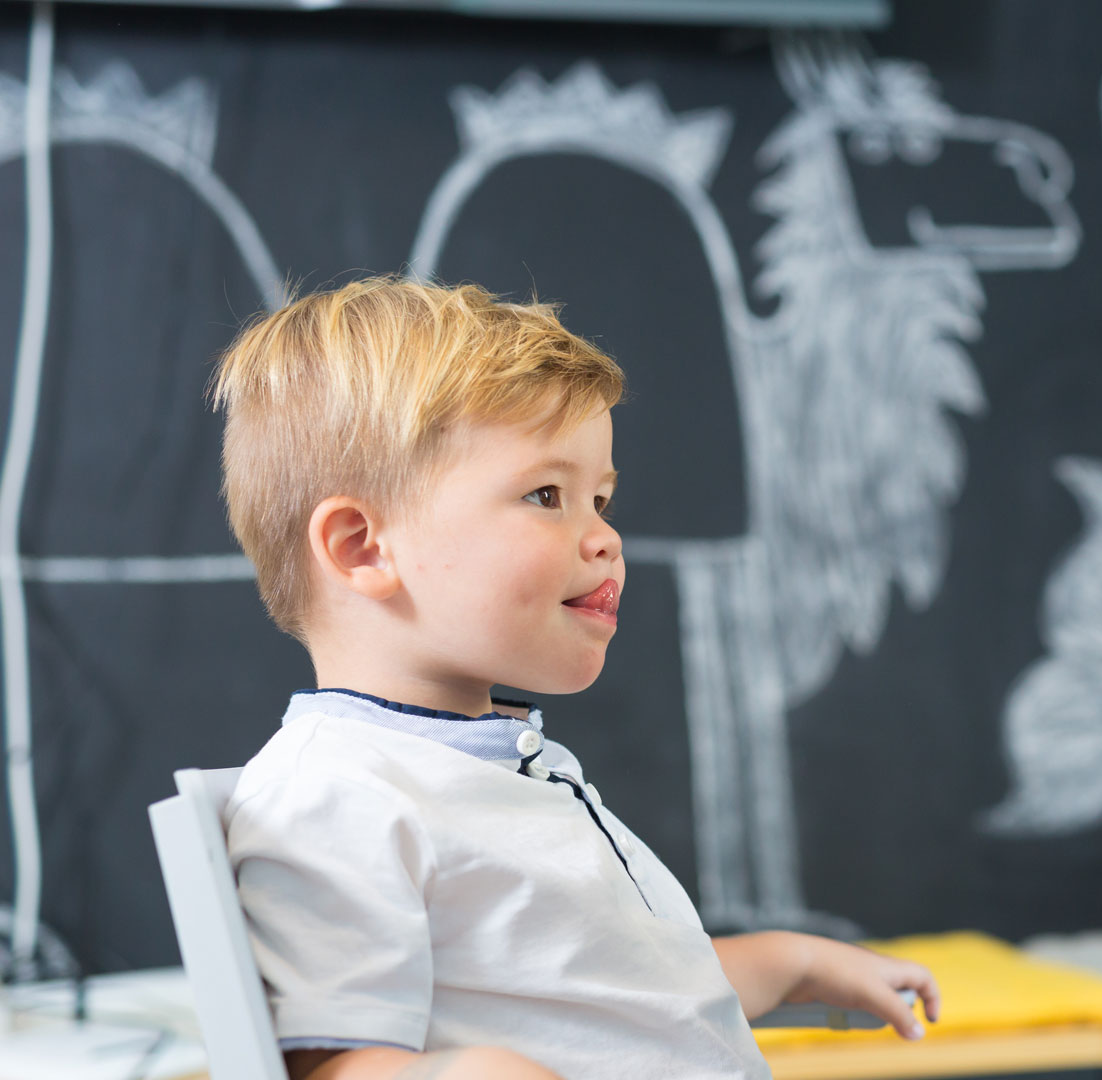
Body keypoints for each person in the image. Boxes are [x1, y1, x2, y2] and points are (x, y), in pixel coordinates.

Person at [211, 277, 940, 1080]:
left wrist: (787, 965)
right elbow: (333, 1066)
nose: (605, 539)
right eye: (547, 495)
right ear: (363, 548)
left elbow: (598, 998)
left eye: (601, 499)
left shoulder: (495, 768)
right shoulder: (334, 795)